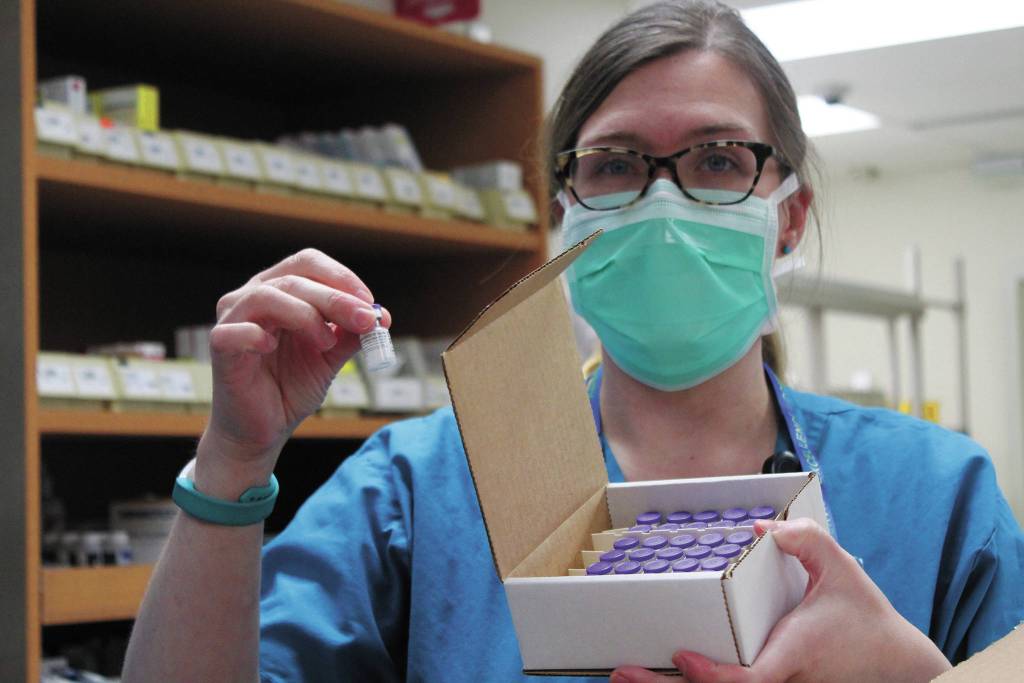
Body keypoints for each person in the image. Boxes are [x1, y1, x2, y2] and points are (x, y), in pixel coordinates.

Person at [122, 1, 1024, 681]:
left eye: (717, 159)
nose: (663, 203)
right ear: (566, 209)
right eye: (618, 164)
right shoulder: (425, 488)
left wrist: (918, 673)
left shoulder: (935, 498)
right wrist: (234, 459)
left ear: (789, 218)